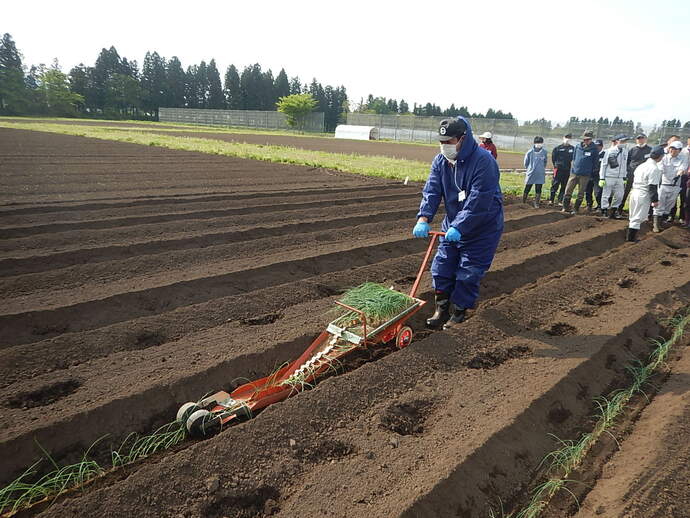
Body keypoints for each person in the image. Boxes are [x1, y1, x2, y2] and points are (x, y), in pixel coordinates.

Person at [413, 117, 504, 330]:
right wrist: (423, 217)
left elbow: (479, 200)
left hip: (483, 227)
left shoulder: (484, 161)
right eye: (442, 142)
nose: (445, 147)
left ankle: (459, 313)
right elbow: (432, 190)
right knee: (441, 267)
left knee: (468, 272)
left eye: (450, 142)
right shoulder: (440, 161)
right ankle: (441, 309)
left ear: (463, 139)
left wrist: (460, 226)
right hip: (452, 224)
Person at [626, 145, 665, 242]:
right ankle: (631, 238)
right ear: (660, 156)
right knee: (638, 217)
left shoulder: (641, 165)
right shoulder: (654, 169)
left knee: (634, 216)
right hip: (643, 194)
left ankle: (631, 237)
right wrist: (655, 200)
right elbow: (652, 186)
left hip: (634, 191)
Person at [652, 140, 686, 231]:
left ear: (679, 150)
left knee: (669, 206)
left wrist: (679, 174)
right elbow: (660, 168)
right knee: (659, 204)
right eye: (671, 148)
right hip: (664, 184)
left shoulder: (683, 158)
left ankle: (662, 222)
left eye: (675, 149)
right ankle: (656, 225)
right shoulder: (664, 158)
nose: (672, 150)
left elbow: (683, 168)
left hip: (675, 186)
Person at [563, 131, 598, 213]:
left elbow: (595, 162)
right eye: (584, 139)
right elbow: (574, 158)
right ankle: (565, 207)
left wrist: (590, 172)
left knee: (581, 193)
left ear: (591, 139)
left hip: (585, 175)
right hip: (574, 172)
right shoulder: (578, 147)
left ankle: (575, 209)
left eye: (588, 139)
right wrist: (573, 169)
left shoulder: (594, 149)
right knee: (568, 190)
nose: (586, 141)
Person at [598, 134, 630, 219]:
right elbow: (604, 165)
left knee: (620, 195)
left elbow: (624, 165)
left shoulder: (625, 151)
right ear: (616, 141)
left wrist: (624, 176)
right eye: (622, 141)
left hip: (620, 177)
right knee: (606, 194)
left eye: (625, 141)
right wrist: (602, 177)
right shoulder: (609, 151)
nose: (624, 143)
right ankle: (604, 210)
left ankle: (613, 210)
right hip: (609, 176)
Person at [621, 133, 652, 210]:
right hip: (631, 174)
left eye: (642, 138)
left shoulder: (649, 150)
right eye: (638, 139)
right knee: (625, 191)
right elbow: (628, 161)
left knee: (642, 193)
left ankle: (642, 210)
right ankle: (620, 208)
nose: (640, 140)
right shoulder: (632, 149)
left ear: (645, 139)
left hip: (643, 175)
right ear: (636, 140)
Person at [550, 133, 575, 205]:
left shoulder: (572, 149)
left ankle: (560, 200)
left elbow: (573, 158)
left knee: (564, 185)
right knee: (555, 184)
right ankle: (551, 200)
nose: (568, 139)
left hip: (567, 169)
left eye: (569, 138)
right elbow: (553, 158)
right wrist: (556, 165)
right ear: (563, 138)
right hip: (558, 169)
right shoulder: (558, 148)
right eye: (566, 137)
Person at [523, 136, 547, 208]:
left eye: (540, 143)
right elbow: (526, 163)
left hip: (540, 174)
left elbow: (545, 162)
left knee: (538, 188)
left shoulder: (544, 152)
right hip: (531, 173)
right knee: (528, 187)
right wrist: (530, 169)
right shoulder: (530, 152)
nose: (539, 144)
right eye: (538, 143)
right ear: (534, 143)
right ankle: (523, 201)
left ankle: (536, 203)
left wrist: (541, 169)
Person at [585, 139, 604, 212]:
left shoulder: (604, 154)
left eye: (598, 146)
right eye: (595, 146)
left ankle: (599, 206)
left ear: (601, 146)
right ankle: (589, 204)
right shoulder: (592, 153)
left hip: (598, 176)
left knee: (598, 192)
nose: (597, 147)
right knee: (587, 191)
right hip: (589, 174)